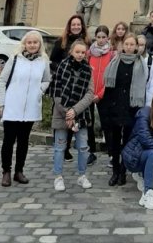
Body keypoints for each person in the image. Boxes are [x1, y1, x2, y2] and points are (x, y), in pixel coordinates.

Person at [0, 30, 50, 186]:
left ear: (39, 44)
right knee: (8, 141)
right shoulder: (15, 59)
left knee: (23, 141)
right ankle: (6, 171)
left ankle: (19, 171)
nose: (32, 45)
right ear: (24, 44)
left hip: (30, 108)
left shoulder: (43, 61)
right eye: (29, 42)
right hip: (12, 106)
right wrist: (0, 103)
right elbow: (2, 81)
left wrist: (40, 91)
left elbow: (47, 79)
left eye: (35, 42)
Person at [103, 33, 148, 186]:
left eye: (132, 44)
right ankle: (115, 171)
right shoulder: (115, 62)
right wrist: (109, 107)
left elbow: (143, 87)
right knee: (115, 141)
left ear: (136, 47)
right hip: (116, 107)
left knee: (127, 141)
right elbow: (109, 87)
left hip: (131, 108)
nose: (129, 47)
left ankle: (123, 171)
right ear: (122, 45)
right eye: (126, 44)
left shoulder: (140, 64)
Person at [50, 39, 94, 192]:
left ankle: (82, 175)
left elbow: (90, 94)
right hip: (61, 113)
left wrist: (74, 111)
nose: (80, 55)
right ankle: (58, 177)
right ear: (71, 52)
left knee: (83, 147)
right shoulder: (62, 67)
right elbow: (56, 92)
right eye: (77, 52)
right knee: (60, 147)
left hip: (81, 114)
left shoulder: (88, 70)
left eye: (83, 52)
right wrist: (67, 113)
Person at [50, 14, 90, 162]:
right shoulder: (61, 42)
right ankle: (59, 147)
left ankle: (66, 148)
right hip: (63, 85)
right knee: (61, 118)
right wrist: (62, 70)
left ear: (82, 26)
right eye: (73, 24)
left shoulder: (87, 42)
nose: (76, 27)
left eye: (78, 24)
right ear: (69, 26)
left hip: (79, 86)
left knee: (75, 117)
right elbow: (53, 60)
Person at [87, 25, 114, 166]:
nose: (101, 40)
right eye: (99, 37)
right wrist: (90, 93)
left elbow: (111, 78)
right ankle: (91, 152)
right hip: (89, 94)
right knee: (89, 124)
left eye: (104, 37)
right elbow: (86, 74)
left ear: (108, 38)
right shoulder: (89, 54)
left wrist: (100, 94)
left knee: (107, 125)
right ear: (95, 38)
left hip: (104, 94)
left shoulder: (111, 55)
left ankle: (111, 154)